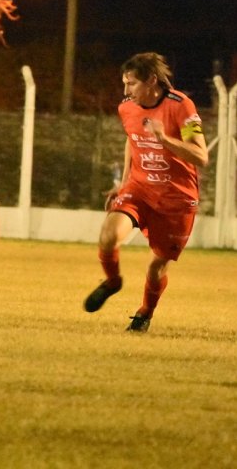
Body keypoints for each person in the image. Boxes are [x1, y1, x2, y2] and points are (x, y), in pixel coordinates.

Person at [83, 52, 208, 332]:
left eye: (132, 84)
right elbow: (132, 138)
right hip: (139, 190)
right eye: (125, 84)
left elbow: (201, 156)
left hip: (177, 199)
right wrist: (124, 183)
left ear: (152, 80)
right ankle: (113, 281)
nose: (126, 91)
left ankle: (144, 313)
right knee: (108, 237)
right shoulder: (127, 108)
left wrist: (164, 139)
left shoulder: (182, 106)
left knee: (156, 269)